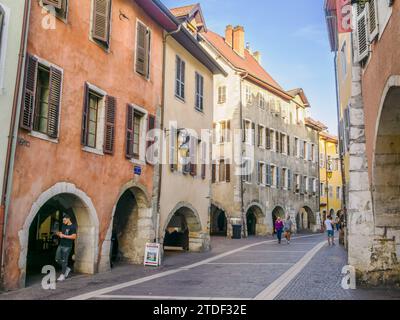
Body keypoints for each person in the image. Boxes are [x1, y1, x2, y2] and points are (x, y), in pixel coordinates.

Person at [55, 214, 77, 281]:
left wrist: (63, 236)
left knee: (64, 260)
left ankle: (62, 275)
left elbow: (74, 237)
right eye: (63, 220)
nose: (63, 221)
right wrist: (58, 233)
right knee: (57, 259)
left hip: (67, 246)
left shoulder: (73, 227)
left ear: (68, 219)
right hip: (61, 245)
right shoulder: (63, 225)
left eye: (64, 220)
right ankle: (66, 268)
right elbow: (61, 233)